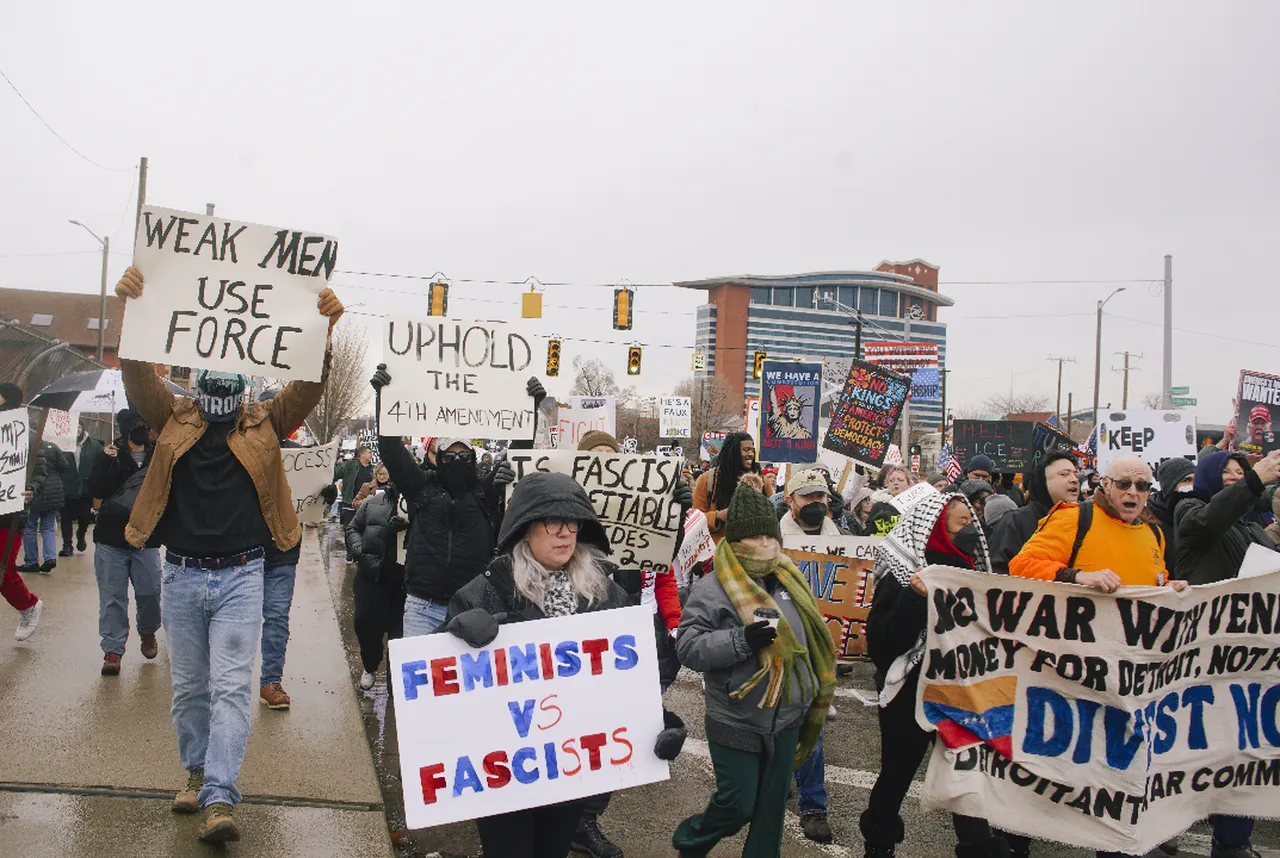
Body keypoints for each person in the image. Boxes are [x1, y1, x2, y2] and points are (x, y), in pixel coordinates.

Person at [115, 265, 342, 843]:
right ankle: (194, 773)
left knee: (232, 689)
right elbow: (137, 374)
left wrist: (322, 332)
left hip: (243, 575)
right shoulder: (172, 415)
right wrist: (134, 310)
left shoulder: (268, 420)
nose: (221, 375)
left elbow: (309, 386)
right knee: (190, 688)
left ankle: (219, 795)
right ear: (196, 367)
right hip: (183, 577)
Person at [444, 471, 686, 858]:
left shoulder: (605, 593)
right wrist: (456, 635)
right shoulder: (486, 591)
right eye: (553, 521)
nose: (565, 532)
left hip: (570, 770)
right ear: (525, 528)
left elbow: (628, 678)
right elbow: (438, 689)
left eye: (572, 522)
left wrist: (659, 721)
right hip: (505, 774)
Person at [1005, 457, 1189, 858]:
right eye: (1124, 483)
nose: (1133, 493)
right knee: (1046, 778)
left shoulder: (1153, 534)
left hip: (1126, 682)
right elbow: (1021, 566)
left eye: (1143, 486)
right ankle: (1011, 844)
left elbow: (1151, 584)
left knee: (1116, 778)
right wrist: (1076, 577)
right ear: (1104, 484)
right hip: (1067, 675)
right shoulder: (1076, 519)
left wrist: (1168, 588)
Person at [674, 482, 836, 858]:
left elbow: (811, 639)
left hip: (788, 716)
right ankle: (691, 842)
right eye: (753, 537)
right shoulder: (712, 589)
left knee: (770, 810)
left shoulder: (790, 580)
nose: (764, 544)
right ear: (733, 542)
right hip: (736, 716)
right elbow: (688, 647)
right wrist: (741, 639)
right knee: (737, 804)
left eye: (770, 536)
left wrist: (815, 689)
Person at [860, 491, 1005, 858]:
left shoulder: (976, 573)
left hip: (961, 691)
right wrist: (914, 598)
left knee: (966, 771)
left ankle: (975, 845)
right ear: (937, 528)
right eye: (961, 523)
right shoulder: (902, 573)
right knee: (897, 772)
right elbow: (882, 643)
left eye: (971, 522)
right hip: (909, 692)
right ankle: (879, 840)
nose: (970, 530)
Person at [572, 429, 688, 858]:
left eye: (613, 458)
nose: (607, 465)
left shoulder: (640, 515)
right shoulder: (569, 521)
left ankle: (586, 819)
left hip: (638, 636)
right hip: (586, 638)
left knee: (618, 732)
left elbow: (662, 563)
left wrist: (675, 511)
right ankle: (565, 815)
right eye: (596, 459)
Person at [368, 365, 535, 637]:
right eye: (450, 456)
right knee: (419, 679)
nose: (457, 461)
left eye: (464, 456)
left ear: (473, 458)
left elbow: (518, 451)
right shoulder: (420, 486)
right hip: (422, 607)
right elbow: (389, 447)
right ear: (439, 458)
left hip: (474, 606)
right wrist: (384, 399)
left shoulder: (485, 490)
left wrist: (531, 405)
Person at [86, 407, 161, 676]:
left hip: (146, 537)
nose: (144, 429)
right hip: (111, 537)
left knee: (150, 591)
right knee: (112, 597)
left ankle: (148, 630)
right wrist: (107, 463)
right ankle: (113, 650)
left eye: (146, 424)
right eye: (138, 424)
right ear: (126, 428)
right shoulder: (111, 453)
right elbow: (94, 490)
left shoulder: (159, 454)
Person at [257, 388, 305, 712]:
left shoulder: (299, 456)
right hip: (245, 548)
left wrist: (323, 494)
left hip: (283, 551)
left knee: (276, 616)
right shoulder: (242, 452)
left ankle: (271, 681)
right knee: (235, 621)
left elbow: (307, 499)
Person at [1173, 449, 1280, 586]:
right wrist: (1254, 480)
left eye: (1240, 473)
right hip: (1209, 605)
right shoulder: (1188, 509)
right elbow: (1209, 521)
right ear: (1207, 474)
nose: (1234, 477)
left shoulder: (1252, 528)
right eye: (1225, 471)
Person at [344, 465, 406, 690]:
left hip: (404, 583)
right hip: (372, 577)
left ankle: (394, 685)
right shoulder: (374, 503)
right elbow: (353, 528)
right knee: (365, 624)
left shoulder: (423, 506)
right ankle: (370, 665)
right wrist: (360, 551)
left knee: (399, 635)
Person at [987, 452, 1078, 574]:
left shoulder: (1087, 520)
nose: (1074, 480)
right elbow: (998, 572)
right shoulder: (1015, 522)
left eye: (1075, 474)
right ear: (1043, 482)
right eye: (1064, 474)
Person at [0, 382, 43, 641]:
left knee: (3, 570)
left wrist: (32, 489)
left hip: (10, 513)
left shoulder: (27, 434)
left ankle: (28, 606)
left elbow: (41, 471)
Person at [692, 432, 761, 542]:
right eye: (745, 450)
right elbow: (693, 519)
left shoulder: (760, 480)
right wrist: (718, 515)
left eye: (752, 450)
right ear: (732, 452)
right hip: (717, 552)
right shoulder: (708, 480)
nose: (750, 454)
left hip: (751, 551)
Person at [19, 432, 67, 573]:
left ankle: (31, 561)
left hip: (34, 490)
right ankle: (50, 557)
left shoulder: (25, 447)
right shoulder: (53, 447)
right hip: (54, 491)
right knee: (48, 527)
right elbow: (64, 465)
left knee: (29, 527)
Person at [58, 421, 102, 556]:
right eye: (74, 427)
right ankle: (67, 545)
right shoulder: (63, 444)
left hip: (85, 489)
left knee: (84, 517)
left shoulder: (94, 445)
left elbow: (100, 464)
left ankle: (81, 535)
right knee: (65, 518)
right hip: (67, 487)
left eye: (79, 427)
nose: (76, 430)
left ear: (83, 428)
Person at [1146, 457, 1196, 564]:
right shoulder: (1152, 522)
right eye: (1186, 480)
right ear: (1170, 485)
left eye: (1196, 480)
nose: (1193, 485)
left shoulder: (1201, 511)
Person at [780, 469, 842, 538]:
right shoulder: (774, 539)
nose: (815, 501)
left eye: (820, 496)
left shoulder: (844, 536)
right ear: (790, 501)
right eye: (808, 496)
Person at [334, 446, 375, 525]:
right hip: (349, 503)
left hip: (365, 504)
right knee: (349, 529)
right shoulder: (350, 464)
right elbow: (337, 473)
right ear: (362, 454)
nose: (371, 455)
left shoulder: (372, 468)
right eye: (369, 452)